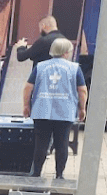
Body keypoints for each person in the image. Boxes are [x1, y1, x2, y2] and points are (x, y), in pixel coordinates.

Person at [23, 38, 87, 180]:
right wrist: (82, 108)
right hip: (65, 112)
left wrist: (26, 106)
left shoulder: (40, 66)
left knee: (41, 144)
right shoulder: (74, 68)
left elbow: (28, 87)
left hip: (41, 111)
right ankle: (59, 175)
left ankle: (36, 173)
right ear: (65, 52)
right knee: (62, 144)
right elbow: (82, 90)